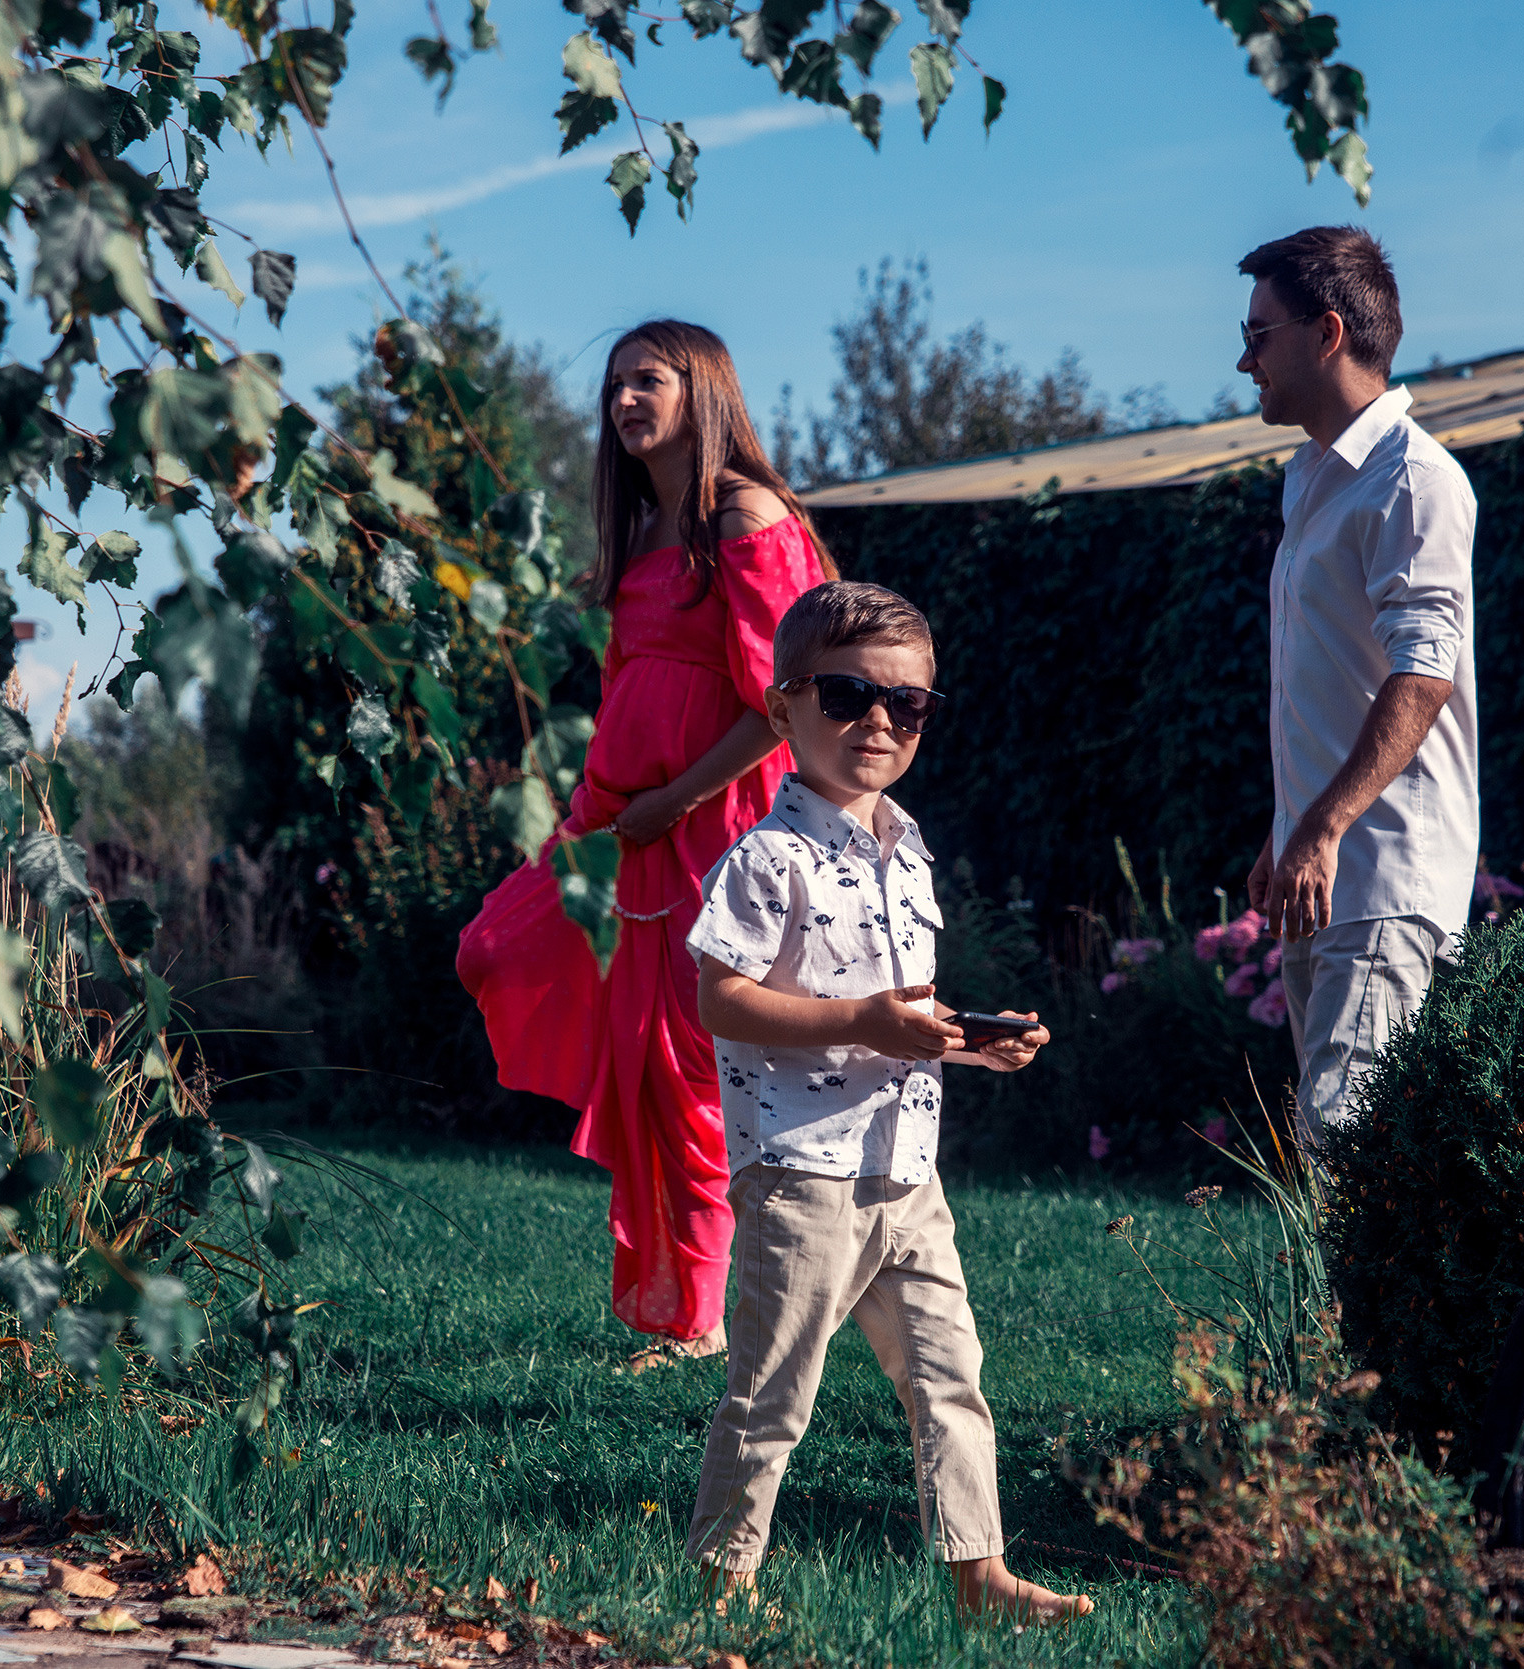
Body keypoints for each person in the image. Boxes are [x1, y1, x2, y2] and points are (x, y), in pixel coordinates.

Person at [681, 581, 1092, 1624]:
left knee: (950, 1377)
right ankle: (720, 1583)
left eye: (908, 704)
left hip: (907, 1169)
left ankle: (981, 1580)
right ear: (783, 708)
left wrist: (971, 1042)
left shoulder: (909, 851)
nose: (879, 720)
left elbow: (898, 1011)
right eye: (848, 695)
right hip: (801, 1171)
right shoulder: (767, 858)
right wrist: (866, 1022)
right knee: (774, 1390)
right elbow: (720, 998)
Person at [455, 320, 831, 1368]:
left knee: (685, 1070)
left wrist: (675, 797)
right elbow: (626, 678)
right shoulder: (641, 527)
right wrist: (601, 804)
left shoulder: (746, 516)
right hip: (620, 821)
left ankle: (695, 1320)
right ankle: (698, 1305)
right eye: (615, 383)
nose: (623, 399)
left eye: (647, 380)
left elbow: (785, 704)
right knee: (493, 948)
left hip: (716, 823)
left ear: (701, 389)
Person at [1235, 226, 1479, 1143]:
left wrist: (1324, 825)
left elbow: (1424, 675)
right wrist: (1288, 830)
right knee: (1347, 1150)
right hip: (1326, 875)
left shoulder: (1412, 479)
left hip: (1380, 874)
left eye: (1259, 334)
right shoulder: (1313, 478)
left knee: (1343, 1144)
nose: (1245, 360)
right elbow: (1335, 679)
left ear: (1327, 332)